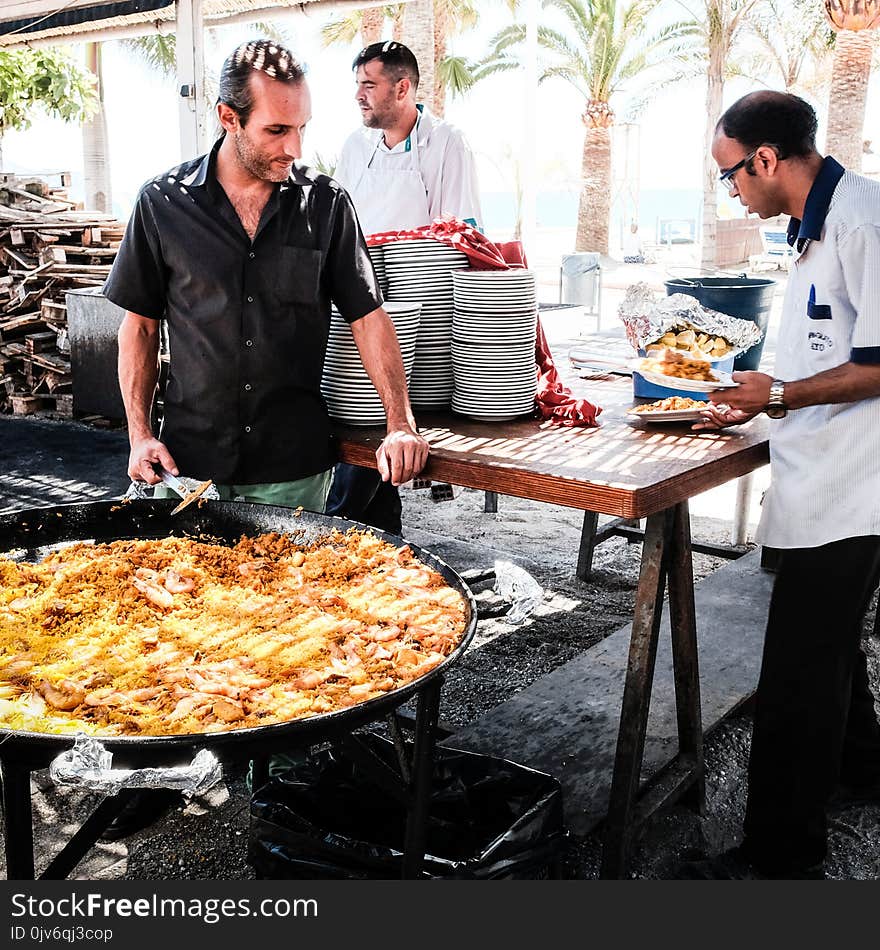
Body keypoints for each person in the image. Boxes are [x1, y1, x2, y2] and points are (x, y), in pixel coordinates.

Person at [101, 38, 428, 836]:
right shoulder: (161, 203)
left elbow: (370, 318)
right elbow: (138, 328)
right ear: (227, 116)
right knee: (184, 624)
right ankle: (173, 766)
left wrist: (400, 420)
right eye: (277, 132)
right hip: (193, 464)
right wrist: (139, 434)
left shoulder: (326, 204)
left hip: (291, 464)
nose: (294, 149)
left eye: (302, 130)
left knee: (290, 636)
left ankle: (283, 799)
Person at [679, 90, 880, 879]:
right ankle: (862, 769)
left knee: (798, 677)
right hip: (824, 470)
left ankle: (779, 859)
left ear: (765, 159)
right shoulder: (815, 225)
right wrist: (760, 397)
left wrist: (778, 396)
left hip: (854, 488)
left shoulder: (861, 219)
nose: (732, 191)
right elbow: (826, 346)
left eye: (731, 175)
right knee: (830, 652)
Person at [325, 40, 482, 536]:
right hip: (360, 306)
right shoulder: (354, 146)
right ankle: (381, 540)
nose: (359, 96)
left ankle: (344, 533)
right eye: (357, 86)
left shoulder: (447, 142)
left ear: (403, 87)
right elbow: (339, 224)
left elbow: (462, 233)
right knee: (362, 423)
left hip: (427, 310)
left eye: (368, 85)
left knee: (381, 430)